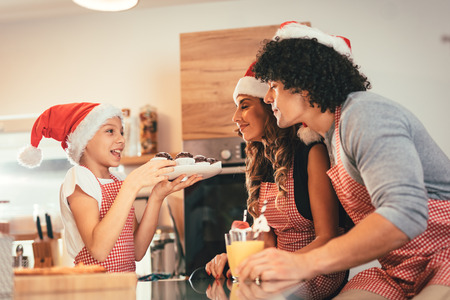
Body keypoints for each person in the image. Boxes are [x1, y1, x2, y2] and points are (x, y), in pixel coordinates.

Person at [236, 21, 450, 299]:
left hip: (444, 258)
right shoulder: (331, 136)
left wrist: (302, 263)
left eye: (274, 86)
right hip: (398, 271)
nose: (268, 97)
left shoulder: (363, 114)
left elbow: (406, 213)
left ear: (304, 84)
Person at [205, 62, 350, 299]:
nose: (235, 117)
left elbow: (328, 238)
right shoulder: (261, 161)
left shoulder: (311, 152)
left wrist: (284, 266)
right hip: (278, 273)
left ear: (269, 106)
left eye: (244, 106)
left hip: (318, 270)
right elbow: (267, 240)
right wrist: (235, 261)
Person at [18, 102, 202, 272]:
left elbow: (137, 251)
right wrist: (132, 184)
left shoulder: (119, 180)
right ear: (86, 139)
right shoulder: (79, 177)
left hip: (125, 287)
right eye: (110, 131)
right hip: (95, 289)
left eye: (121, 132)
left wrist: (157, 196)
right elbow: (98, 249)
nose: (121, 139)